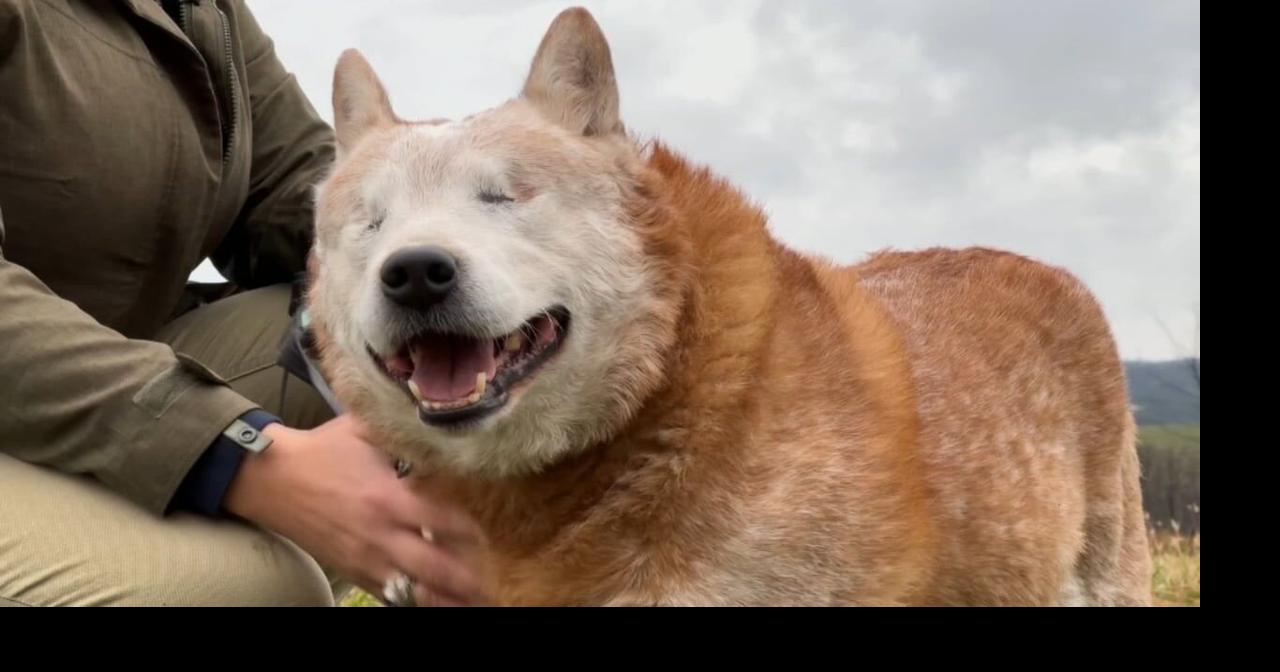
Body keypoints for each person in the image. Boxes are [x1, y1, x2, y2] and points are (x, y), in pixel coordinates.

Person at [1, 0, 483, 607]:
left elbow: (301, 191)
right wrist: (244, 454)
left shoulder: (205, 10)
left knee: (397, 356)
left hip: (94, 382)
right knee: (260, 589)